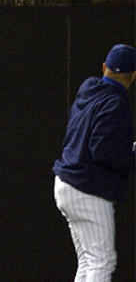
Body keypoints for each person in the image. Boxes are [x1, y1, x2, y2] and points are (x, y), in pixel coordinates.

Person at [53, 44, 136, 282]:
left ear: (104, 67)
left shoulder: (89, 90)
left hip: (66, 181)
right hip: (87, 189)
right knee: (101, 261)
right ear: (133, 75)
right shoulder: (115, 103)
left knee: (89, 261)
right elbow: (104, 151)